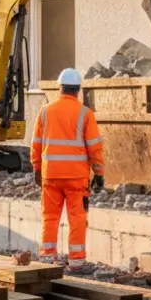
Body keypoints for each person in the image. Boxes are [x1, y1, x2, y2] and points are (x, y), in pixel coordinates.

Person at [31, 68, 105, 267]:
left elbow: (36, 144)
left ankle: (47, 257)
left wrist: (37, 169)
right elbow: (94, 147)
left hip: (51, 176)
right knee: (77, 217)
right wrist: (99, 174)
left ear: (60, 88)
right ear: (78, 90)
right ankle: (77, 261)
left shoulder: (45, 111)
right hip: (76, 179)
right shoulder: (85, 114)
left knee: (50, 216)